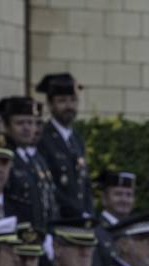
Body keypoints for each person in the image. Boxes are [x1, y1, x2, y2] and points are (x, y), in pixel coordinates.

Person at [35, 72, 92, 216]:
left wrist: (89, 214)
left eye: (73, 100)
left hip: (79, 220)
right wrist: (76, 212)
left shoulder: (76, 139)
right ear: (50, 104)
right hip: (59, 217)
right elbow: (50, 186)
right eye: (62, 101)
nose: (69, 106)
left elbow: (84, 184)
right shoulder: (43, 138)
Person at [0, 95, 57, 230]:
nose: (26, 128)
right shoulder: (4, 157)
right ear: (7, 126)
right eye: (20, 123)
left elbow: (50, 201)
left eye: (31, 123)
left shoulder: (37, 159)